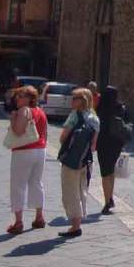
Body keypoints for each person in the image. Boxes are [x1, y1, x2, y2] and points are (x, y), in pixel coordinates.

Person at [57, 88, 99, 238]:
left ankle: (75, 226)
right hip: (86, 160)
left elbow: (63, 138)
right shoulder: (94, 118)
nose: (71, 100)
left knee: (70, 192)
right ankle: (78, 223)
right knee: (82, 191)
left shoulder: (74, 116)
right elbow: (94, 145)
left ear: (83, 100)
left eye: (75, 98)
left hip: (71, 161)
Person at [7, 85, 47, 234]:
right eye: (17, 96)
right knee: (36, 182)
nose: (18, 99)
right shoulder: (41, 112)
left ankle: (18, 222)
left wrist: (13, 120)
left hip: (24, 151)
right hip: (40, 150)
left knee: (18, 185)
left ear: (30, 98)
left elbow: (18, 131)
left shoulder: (24, 111)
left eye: (21, 96)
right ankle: (39, 216)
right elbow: (45, 133)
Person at [96, 85, 129, 215]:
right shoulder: (121, 108)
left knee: (105, 173)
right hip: (117, 144)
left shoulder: (101, 109)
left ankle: (107, 201)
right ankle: (110, 197)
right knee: (111, 171)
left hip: (103, 144)